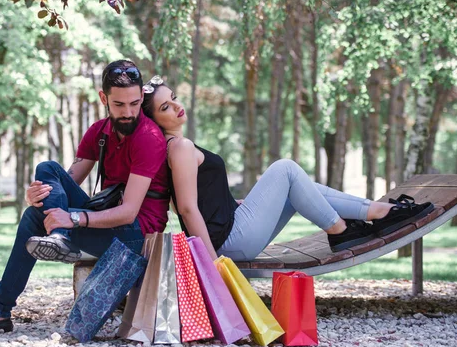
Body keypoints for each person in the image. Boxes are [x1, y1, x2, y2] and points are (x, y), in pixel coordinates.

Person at [0, 60, 170, 332]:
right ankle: (58, 239)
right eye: (119, 105)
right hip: (107, 225)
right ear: (103, 99)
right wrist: (37, 195)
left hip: (137, 238)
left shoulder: (148, 137)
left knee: (32, 219)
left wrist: (72, 218)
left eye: (134, 103)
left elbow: (128, 212)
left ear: (141, 97)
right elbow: (66, 182)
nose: (128, 112)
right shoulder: (99, 132)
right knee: (47, 169)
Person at [139, 75, 434, 261]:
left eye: (173, 98)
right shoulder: (179, 147)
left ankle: (377, 212)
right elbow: (187, 210)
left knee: (296, 188)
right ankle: (342, 227)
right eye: (165, 107)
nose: (176, 106)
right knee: (286, 169)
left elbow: (195, 201)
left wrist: (231, 204)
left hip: (231, 230)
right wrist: (209, 261)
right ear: (154, 120)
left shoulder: (176, 147)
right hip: (227, 243)